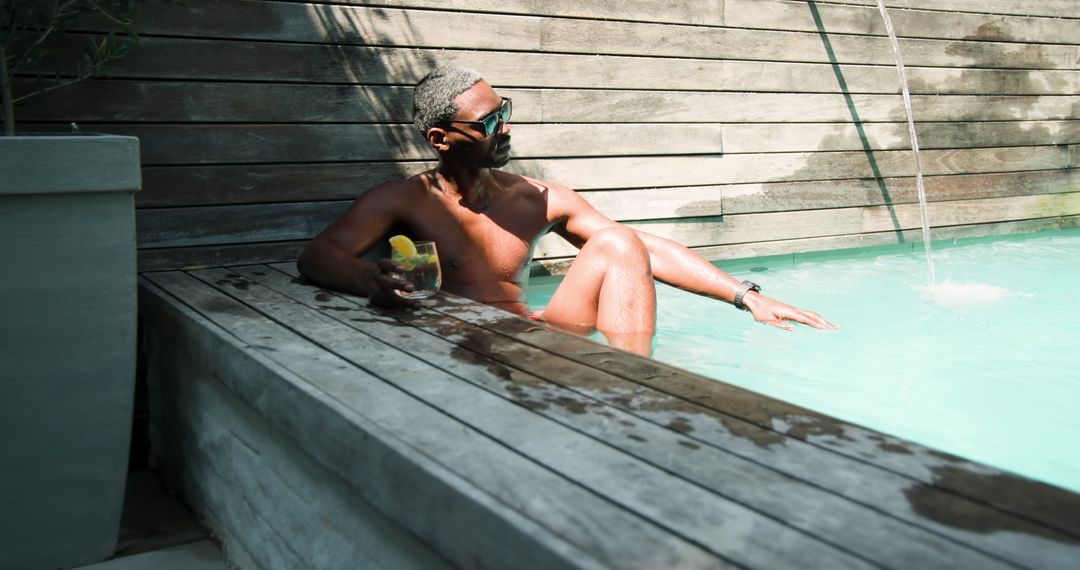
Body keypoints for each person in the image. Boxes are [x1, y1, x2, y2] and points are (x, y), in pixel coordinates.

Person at [298, 66, 836, 355]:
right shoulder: (404, 199)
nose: (503, 127)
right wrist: (371, 278)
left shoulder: (536, 197)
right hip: (459, 346)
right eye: (487, 122)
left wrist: (747, 297)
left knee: (620, 241)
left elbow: (641, 251)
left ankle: (633, 383)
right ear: (441, 138)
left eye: (503, 112)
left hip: (536, 337)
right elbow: (318, 256)